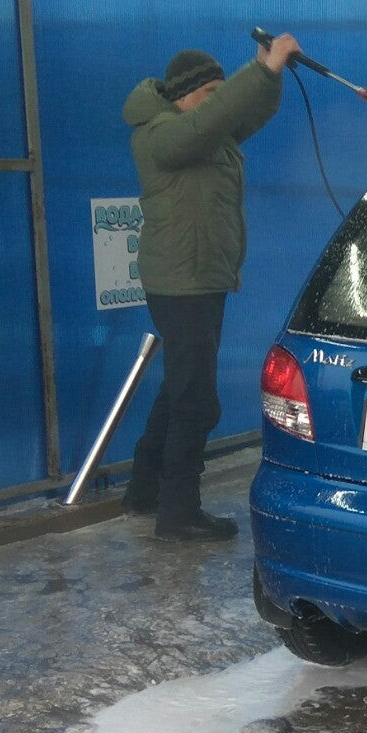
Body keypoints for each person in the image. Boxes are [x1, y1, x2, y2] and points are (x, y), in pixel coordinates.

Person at [121, 32, 301, 541]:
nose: (217, 104)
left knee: (180, 388)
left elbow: (240, 116)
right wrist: (259, 71)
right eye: (208, 94)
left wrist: (269, 74)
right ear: (182, 97)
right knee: (197, 400)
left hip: (197, 278)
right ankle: (178, 513)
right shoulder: (161, 133)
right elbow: (217, 117)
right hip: (184, 283)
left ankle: (145, 488)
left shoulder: (200, 129)